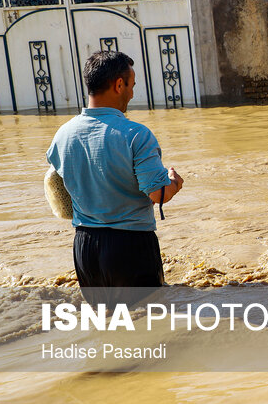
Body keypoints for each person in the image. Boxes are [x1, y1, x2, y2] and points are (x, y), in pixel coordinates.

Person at [46, 51, 184, 303]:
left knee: (106, 320)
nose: (132, 93)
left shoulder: (62, 135)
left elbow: (59, 185)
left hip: (85, 247)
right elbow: (158, 193)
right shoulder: (136, 134)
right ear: (119, 85)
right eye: (131, 85)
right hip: (130, 245)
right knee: (149, 323)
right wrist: (174, 182)